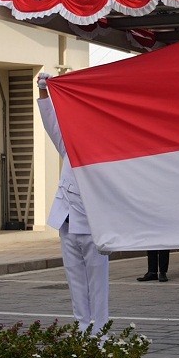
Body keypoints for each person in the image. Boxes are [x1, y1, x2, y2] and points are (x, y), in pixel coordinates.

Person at [37, 72, 109, 334]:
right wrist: (45, 92)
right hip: (66, 221)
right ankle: (82, 329)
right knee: (75, 280)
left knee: (97, 283)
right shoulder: (68, 145)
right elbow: (51, 124)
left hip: (93, 224)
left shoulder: (105, 152)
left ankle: (99, 332)